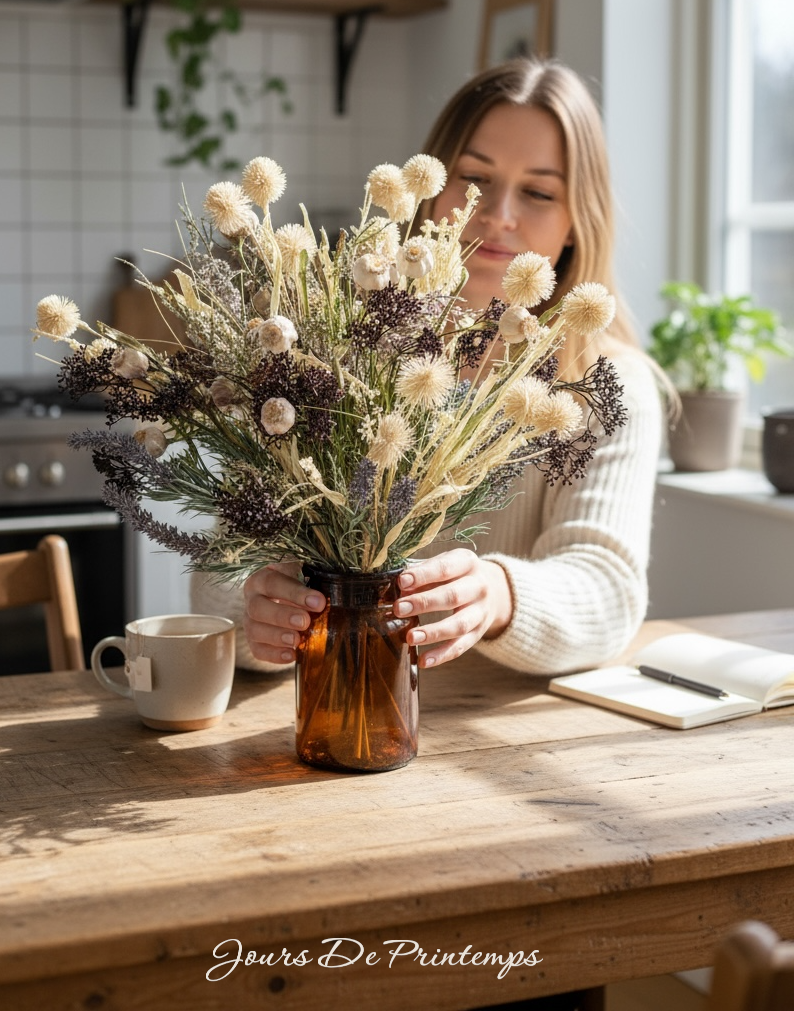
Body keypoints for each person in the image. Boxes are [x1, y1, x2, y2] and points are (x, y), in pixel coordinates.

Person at [196, 57, 664, 679]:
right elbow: (216, 573)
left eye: (539, 191)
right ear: (436, 186)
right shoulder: (337, 351)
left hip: (502, 749)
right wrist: (259, 607)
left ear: (580, 217)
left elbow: (608, 589)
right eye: (476, 177)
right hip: (328, 719)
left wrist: (496, 598)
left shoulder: (611, 386)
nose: (499, 213)